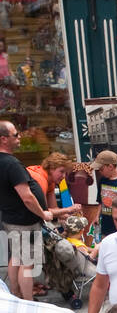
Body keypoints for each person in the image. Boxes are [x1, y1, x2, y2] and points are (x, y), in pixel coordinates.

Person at [0, 119, 57, 299]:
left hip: (11, 220)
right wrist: (44, 214)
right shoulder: (11, 164)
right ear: (3, 139)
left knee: (16, 258)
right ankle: (28, 303)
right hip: (24, 222)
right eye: (15, 134)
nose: (20, 137)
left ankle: (16, 294)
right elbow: (27, 197)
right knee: (28, 263)